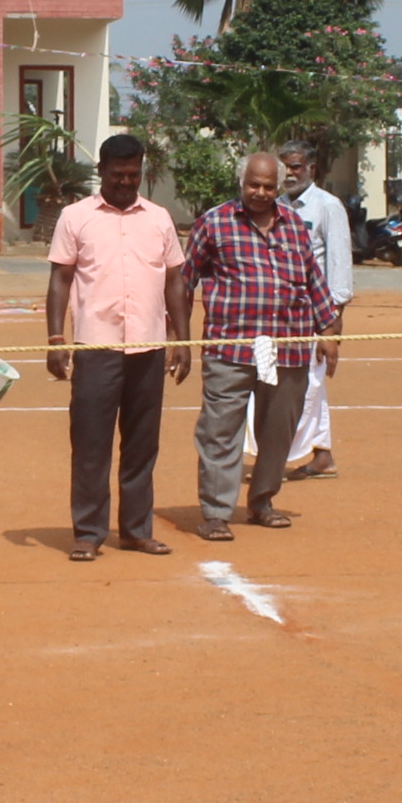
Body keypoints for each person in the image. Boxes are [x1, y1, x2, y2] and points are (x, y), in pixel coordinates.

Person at [47, 133, 190, 562]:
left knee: (142, 443)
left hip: (148, 347)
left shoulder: (160, 219)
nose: (126, 182)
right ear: (102, 173)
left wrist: (182, 339)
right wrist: (56, 340)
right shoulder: (76, 217)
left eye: (133, 174)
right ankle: (88, 533)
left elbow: (175, 281)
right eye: (117, 175)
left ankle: (135, 530)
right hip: (96, 347)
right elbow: (60, 279)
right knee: (91, 443)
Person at [184, 149, 337, 542]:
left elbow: (313, 281)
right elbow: (184, 280)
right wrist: (177, 335)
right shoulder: (214, 223)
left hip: (288, 347)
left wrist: (329, 331)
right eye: (254, 184)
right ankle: (216, 512)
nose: (261, 192)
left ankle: (263, 501)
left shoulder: (295, 227)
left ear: (279, 186)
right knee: (220, 430)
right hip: (230, 348)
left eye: (269, 186)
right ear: (241, 182)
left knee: (278, 429)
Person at [269, 140, 356, 479]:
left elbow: (339, 266)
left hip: (314, 314)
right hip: (279, 313)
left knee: (306, 385)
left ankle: (277, 458)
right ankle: (321, 455)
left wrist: (332, 327)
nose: (289, 173)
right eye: (285, 166)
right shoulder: (275, 205)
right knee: (304, 385)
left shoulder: (326, 206)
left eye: (295, 166)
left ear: (311, 168)